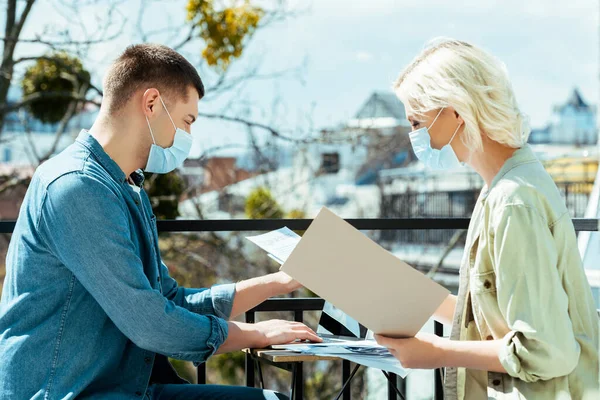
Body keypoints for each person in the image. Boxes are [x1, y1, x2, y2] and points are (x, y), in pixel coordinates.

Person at [0, 43, 322, 400]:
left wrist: (279, 281)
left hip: (119, 388)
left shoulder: (123, 186)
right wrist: (256, 334)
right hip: (66, 393)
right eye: (187, 121)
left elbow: (168, 299)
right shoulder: (76, 187)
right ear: (151, 104)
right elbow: (149, 322)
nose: (187, 139)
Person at [374, 38, 599, 399]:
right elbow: (493, 319)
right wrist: (406, 294)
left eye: (416, 121)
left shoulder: (513, 200)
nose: (413, 136)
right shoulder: (504, 186)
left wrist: (435, 354)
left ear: (455, 111)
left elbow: (545, 351)